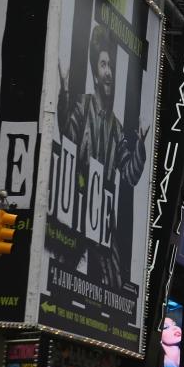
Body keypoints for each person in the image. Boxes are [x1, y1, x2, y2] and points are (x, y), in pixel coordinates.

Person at [60, 24, 149, 286]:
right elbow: (66, 136)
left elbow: (130, 175)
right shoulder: (81, 107)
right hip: (76, 216)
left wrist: (141, 145)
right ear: (95, 73)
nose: (108, 72)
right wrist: (64, 93)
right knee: (60, 273)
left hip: (103, 225)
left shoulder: (117, 127)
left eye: (111, 65)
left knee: (116, 286)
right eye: (103, 65)